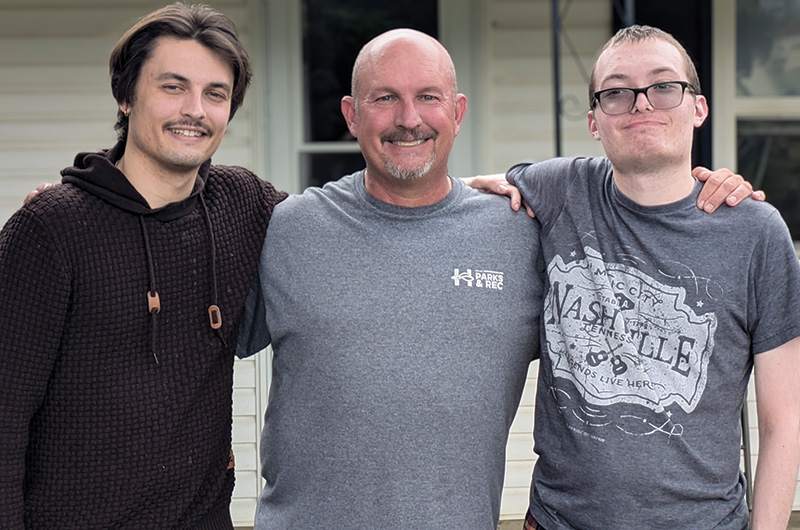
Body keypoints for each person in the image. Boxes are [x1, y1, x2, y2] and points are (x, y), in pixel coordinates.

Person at [236, 28, 755, 529]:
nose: (409, 118)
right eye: (385, 98)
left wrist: (703, 201)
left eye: (428, 97)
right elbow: (199, 348)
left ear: (458, 112)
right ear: (351, 114)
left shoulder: (518, 233)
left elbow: (636, 235)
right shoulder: (290, 229)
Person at [500, 25, 800, 530]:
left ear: (698, 107)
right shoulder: (559, 190)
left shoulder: (754, 231)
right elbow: (439, 196)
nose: (642, 104)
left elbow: (783, 419)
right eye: (617, 92)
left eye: (664, 86)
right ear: (594, 120)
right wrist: (484, 187)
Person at [0, 4, 285, 529]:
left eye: (215, 94)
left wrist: (453, 197)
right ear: (126, 97)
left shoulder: (244, 204)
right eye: (172, 87)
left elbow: (348, 225)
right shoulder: (51, 229)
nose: (195, 110)